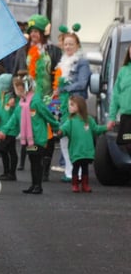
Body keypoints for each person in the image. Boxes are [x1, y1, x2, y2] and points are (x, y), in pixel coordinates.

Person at [11, 14, 62, 181]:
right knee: (31, 128)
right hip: (29, 96)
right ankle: (29, 162)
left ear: (43, 33)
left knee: (48, 133)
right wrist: (14, 94)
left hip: (49, 95)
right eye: (31, 31)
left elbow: (58, 70)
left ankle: (45, 167)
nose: (34, 34)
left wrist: (58, 89)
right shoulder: (23, 50)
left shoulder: (52, 50)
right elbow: (16, 73)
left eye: (37, 31)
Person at [0, 75, 60, 195]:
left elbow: (47, 115)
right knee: (32, 160)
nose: (16, 91)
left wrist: (56, 127)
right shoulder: (22, 103)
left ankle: (38, 185)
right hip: (28, 138)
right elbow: (14, 119)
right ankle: (34, 184)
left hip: (38, 137)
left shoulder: (36, 101)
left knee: (37, 161)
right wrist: (4, 130)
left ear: (24, 88)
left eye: (17, 88)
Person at [53, 25, 91, 182]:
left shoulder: (82, 62)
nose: (68, 46)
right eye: (66, 44)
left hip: (76, 104)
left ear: (78, 46)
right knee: (64, 138)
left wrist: (64, 88)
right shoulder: (63, 61)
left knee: (77, 138)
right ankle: (69, 171)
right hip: (64, 104)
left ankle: (80, 173)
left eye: (71, 44)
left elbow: (82, 83)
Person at [57, 95, 108, 193]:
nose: (69, 107)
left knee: (85, 168)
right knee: (75, 167)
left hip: (86, 150)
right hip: (76, 150)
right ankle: (75, 184)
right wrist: (60, 132)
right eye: (69, 105)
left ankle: (85, 184)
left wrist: (106, 127)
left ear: (79, 106)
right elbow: (64, 129)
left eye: (72, 105)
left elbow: (96, 129)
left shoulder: (88, 119)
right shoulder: (70, 120)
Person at [0, 73, 18, 181]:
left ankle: (12, 173)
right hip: (2, 128)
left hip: (10, 130)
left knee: (11, 150)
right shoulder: (3, 97)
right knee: (3, 151)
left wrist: (13, 104)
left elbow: (14, 114)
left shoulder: (13, 99)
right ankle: (6, 171)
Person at [107, 43, 131, 147]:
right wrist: (112, 117)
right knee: (127, 145)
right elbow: (115, 96)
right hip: (127, 118)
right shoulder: (123, 71)